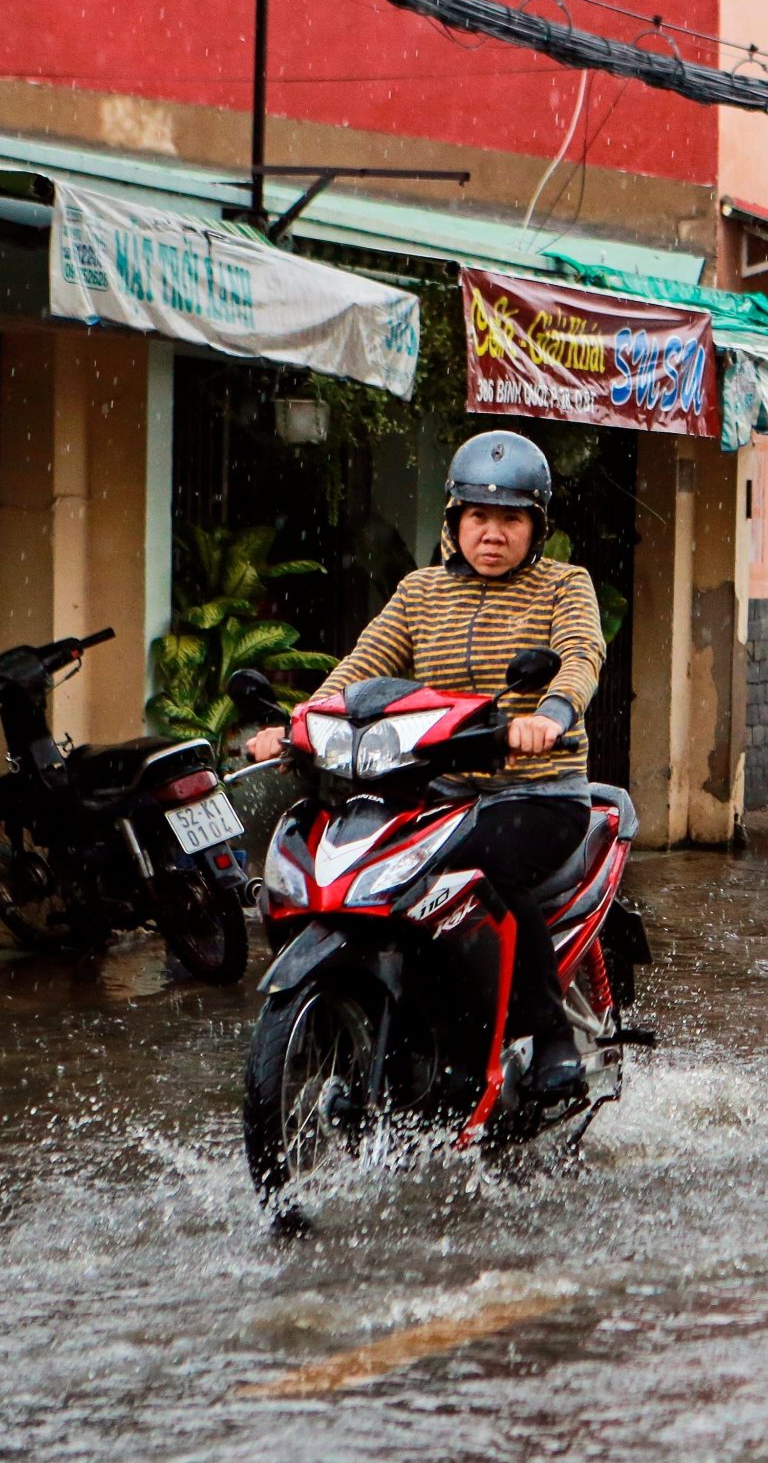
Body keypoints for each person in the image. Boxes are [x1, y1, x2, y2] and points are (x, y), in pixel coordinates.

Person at [245, 431, 606, 1103]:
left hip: (537, 792)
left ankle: (550, 1033)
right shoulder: (420, 592)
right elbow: (363, 664)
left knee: (483, 865)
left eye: (510, 519)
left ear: (537, 527)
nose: (491, 534)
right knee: (380, 874)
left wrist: (550, 717)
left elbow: (581, 654)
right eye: (477, 517)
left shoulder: (565, 585)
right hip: (438, 790)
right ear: (454, 522)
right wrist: (298, 723)